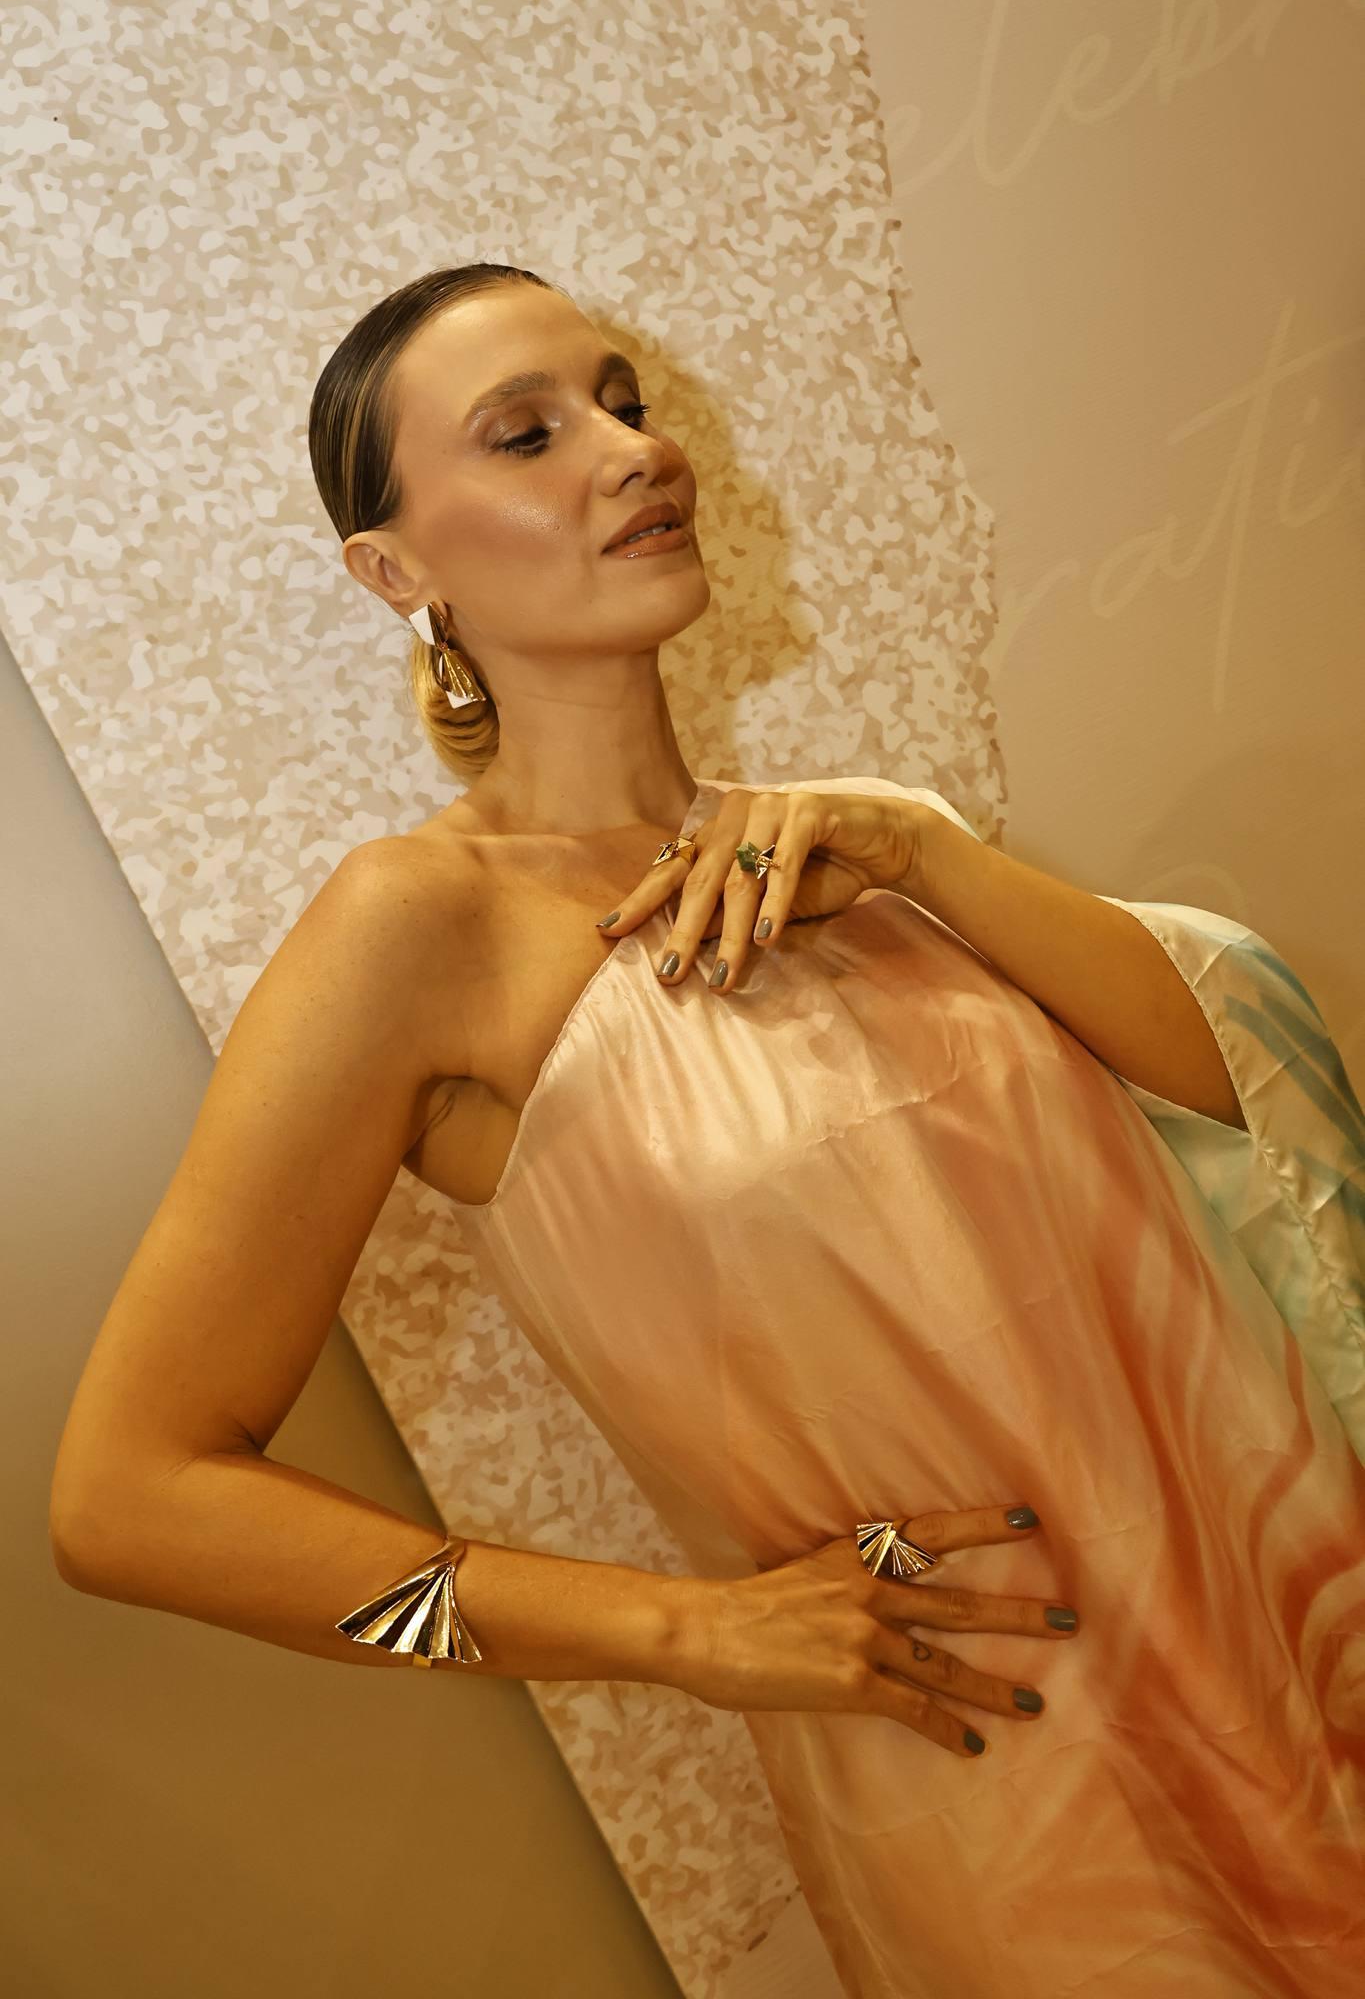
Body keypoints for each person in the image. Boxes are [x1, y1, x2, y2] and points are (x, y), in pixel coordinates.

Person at [51, 264, 1365, 1999]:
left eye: (621, 401)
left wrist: (929, 860)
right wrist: (681, 1630)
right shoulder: (414, 929)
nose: (632, 451)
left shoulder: (859, 844)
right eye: (527, 434)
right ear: (396, 573)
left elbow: (1243, 1105)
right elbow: (127, 1499)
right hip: (1015, 1779)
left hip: (1295, 1627)